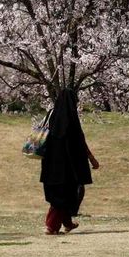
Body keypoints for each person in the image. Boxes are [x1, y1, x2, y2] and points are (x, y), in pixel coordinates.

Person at [40, 88, 99, 235]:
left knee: (60, 194)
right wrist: (91, 158)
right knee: (64, 195)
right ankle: (51, 226)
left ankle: (67, 223)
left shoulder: (51, 114)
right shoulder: (71, 118)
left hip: (51, 164)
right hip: (68, 165)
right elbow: (80, 141)